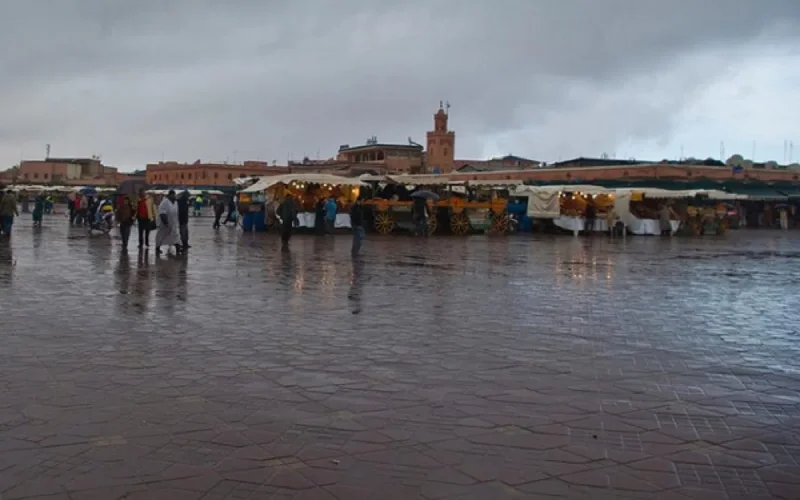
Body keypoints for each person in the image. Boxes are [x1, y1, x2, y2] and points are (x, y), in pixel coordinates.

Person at [155, 190, 181, 255]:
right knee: (161, 236)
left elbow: (177, 212)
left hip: (173, 223)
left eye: (174, 195)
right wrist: (165, 222)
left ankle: (178, 248)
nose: (174, 196)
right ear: (169, 195)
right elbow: (162, 213)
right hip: (164, 224)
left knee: (175, 236)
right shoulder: (165, 202)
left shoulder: (175, 202)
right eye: (173, 195)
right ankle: (157, 248)